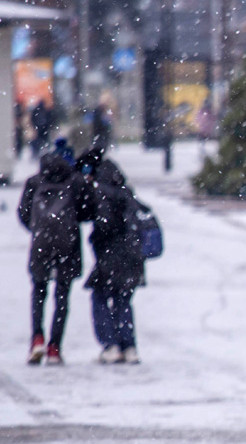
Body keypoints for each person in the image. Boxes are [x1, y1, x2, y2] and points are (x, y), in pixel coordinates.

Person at [18, 151, 95, 365]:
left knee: (38, 291)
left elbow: (23, 213)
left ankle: (37, 339)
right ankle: (54, 347)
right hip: (67, 243)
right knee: (62, 295)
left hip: (41, 242)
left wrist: (38, 229)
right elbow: (88, 210)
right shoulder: (75, 181)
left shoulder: (34, 181)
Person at [84, 158, 148, 365]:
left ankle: (110, 345)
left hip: (112, 255)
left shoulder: (102, 192)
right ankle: (129, 347)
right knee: (123, 299)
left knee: (100, 297)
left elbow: (105, 225)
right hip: (132, 256)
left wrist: (94, 239)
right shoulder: (126, 191)